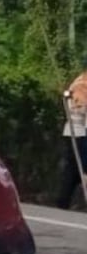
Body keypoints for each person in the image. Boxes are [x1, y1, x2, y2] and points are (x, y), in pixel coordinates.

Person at [59, 62, 87, 209]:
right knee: (76, 170)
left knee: (75, 171)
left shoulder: (80, 81)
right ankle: (62, 201)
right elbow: (79, 105)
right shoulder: (82, 84)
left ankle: (63, 201)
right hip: (77, 133)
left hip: (78, 131)